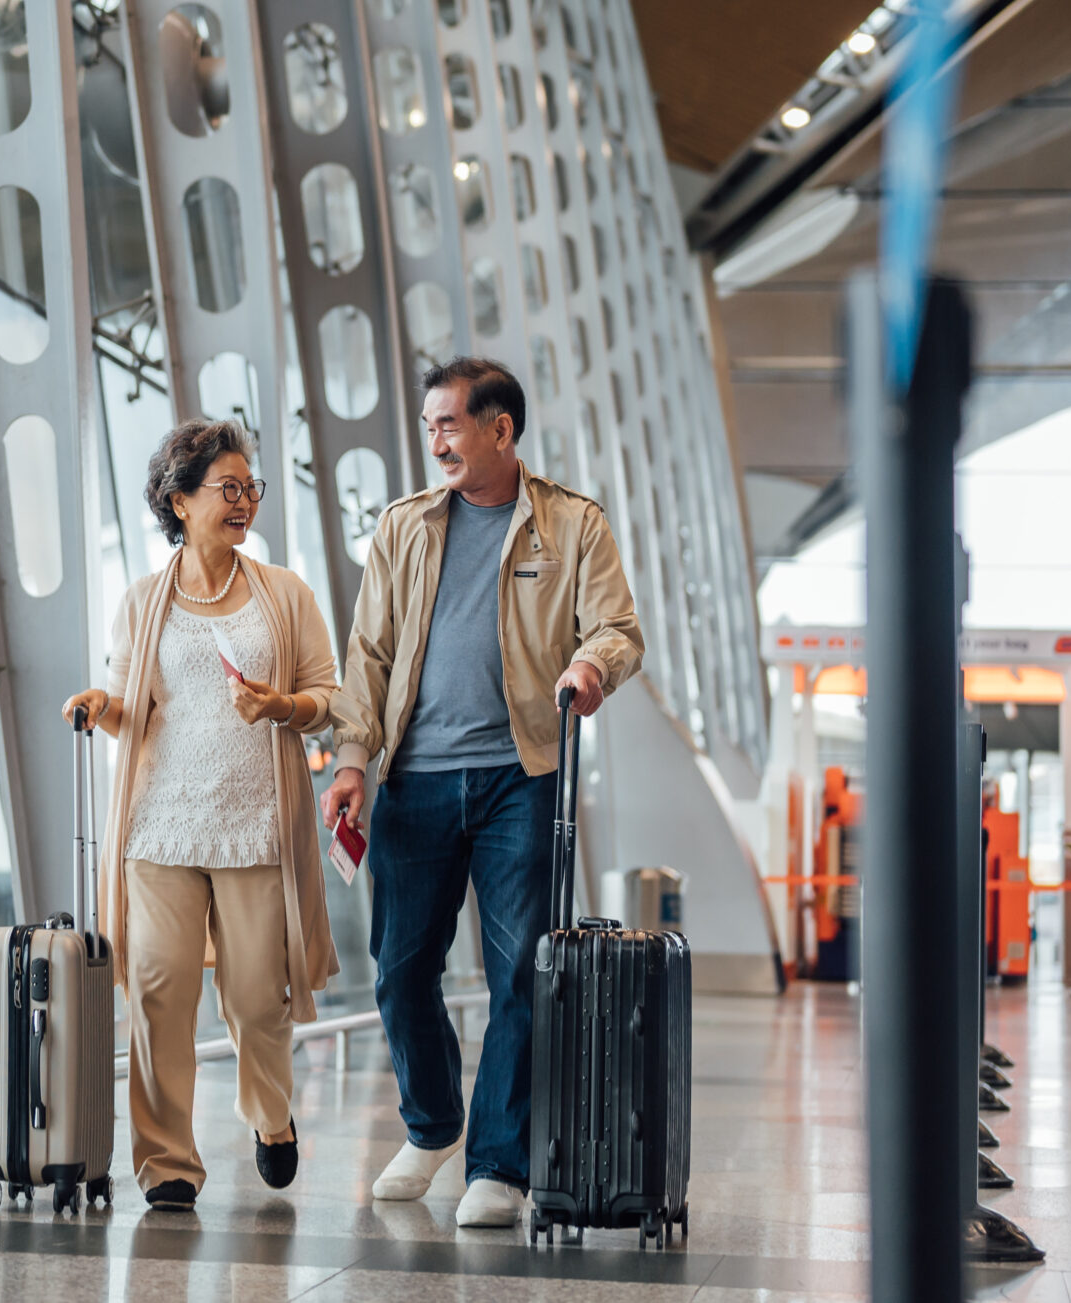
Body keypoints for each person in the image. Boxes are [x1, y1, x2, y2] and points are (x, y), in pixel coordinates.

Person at [323, 358, 644, 1229]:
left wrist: (590, 662)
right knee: (398, 972)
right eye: (429, 425)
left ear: (501, 429)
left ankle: (498, 1163)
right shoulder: (404, 527)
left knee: (518, 974)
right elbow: (369, 657)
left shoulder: (572, 524)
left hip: (519, 778)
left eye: (450, 424)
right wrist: (353, 756)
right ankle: (432, 1127)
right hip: (414, 782)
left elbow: (617, 626)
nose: (436, 440)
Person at [63, 418, 342, 1211]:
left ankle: (271, 1116)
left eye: (250, 487)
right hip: (161, 827)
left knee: (257, 998)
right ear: (178, 500)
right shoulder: (145, 600)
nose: (244, 500)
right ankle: (167, 1160)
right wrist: (101, 703)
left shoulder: (284, 593)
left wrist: (282, 703)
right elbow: (132, 706)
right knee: (158, 988)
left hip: (255, 826)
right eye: (228, 487)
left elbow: (329, 696)